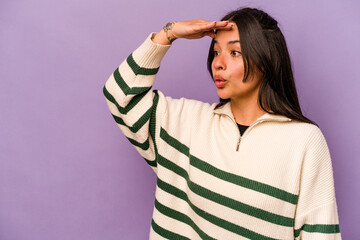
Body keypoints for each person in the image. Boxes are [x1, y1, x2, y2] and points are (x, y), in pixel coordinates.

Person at [103, 7, 341, 240]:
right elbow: (120, 96)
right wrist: (169, 33)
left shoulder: (303, 141)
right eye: (216, 52)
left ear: (266, 60)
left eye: (234, 52)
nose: (218, 63)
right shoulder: (185, 121)